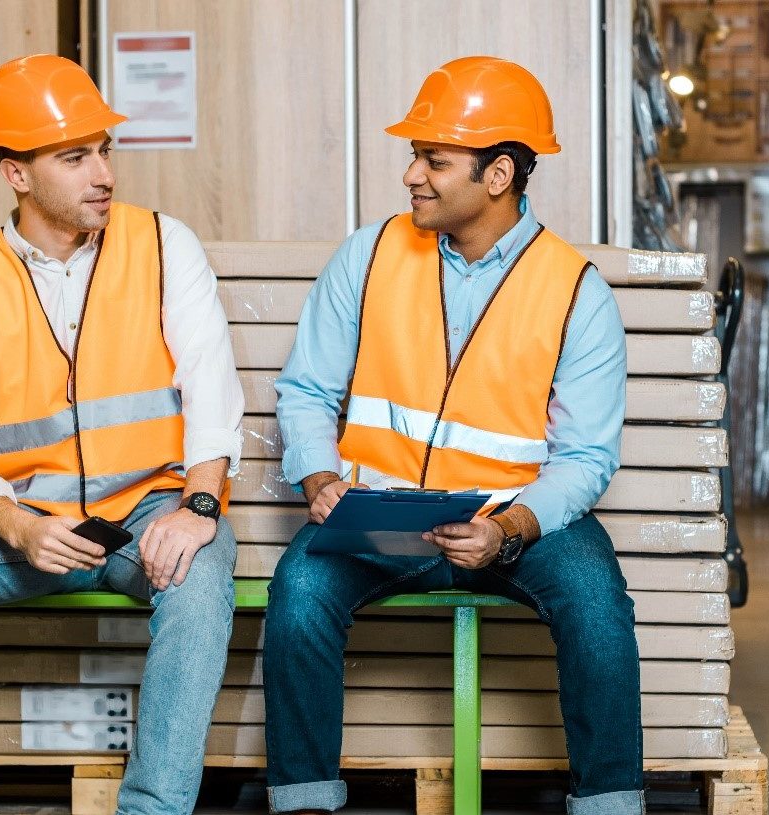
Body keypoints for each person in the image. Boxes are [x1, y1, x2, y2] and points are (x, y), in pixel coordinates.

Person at [263, 56, 644, 814]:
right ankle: (304, 801)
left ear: (498, 174)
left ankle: (610, 804)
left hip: (517, 520)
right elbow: (306, 389)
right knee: (299, 591)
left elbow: (585, 457)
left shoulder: (575, 292)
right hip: (382, 512)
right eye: (417, 157)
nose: (412, 175)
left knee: (598, 602)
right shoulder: (367, 257)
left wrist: (508, 525)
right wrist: (319, 477)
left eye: (434, 159)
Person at [0, 54, 243, 815]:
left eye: (105, 150)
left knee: (202, 576)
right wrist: (17, 523)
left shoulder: (164, 245)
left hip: (150, 512)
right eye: (75, 157)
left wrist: (197, 507)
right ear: (15, 172)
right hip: (29, 525)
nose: (102, 172)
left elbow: (213, 392)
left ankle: (152, 808)